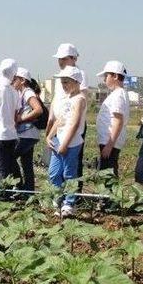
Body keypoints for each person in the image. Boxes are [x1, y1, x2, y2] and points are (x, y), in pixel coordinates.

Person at [47, 66, 87, 217]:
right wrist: (49, 136)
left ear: (76, 82)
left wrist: (64, 144)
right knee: (54, 173)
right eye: (62, 82)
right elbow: (60, 120)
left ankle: (69, 204)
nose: (64, 85)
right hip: (59, 140)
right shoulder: (67, 98)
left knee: (69, 173)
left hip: (71, 142)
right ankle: (57, 199)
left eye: (66, 82)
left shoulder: (80, 99)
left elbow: (75, 124)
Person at [48, 43, 88, 191]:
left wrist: (65, 141)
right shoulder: (62, 79)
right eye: (59, 58)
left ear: (73, 58)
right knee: (55, 171)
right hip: (59, 130)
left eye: (64, 58)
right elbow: (58, 106)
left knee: (70, 169)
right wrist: (50, 129)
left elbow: (75, 117)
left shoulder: (79, 75)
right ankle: (58, 197)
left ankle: (71, 199)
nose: (60, 61)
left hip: (72, 131)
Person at [11, 67, 43, 191]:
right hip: (28, 134)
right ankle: (28, 190)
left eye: (15, 79)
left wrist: (21, 118)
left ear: (23, 80)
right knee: (26, 163)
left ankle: (18, 185)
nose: (12, 82)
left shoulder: (28, 92)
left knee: (9, 157)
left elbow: (38, 109)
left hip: (27, 133)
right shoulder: (21, 93)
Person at [96, 61, 130, 175]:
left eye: (106, 76)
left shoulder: (118, 95)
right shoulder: (117, 94)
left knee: (107, 174)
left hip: (109, 142)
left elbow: (118, 120)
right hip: (108, 141)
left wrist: (109, 145)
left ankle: (109, 193)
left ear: (115, 76)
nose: (104, 79)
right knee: (106, 173)